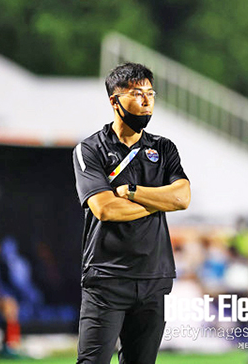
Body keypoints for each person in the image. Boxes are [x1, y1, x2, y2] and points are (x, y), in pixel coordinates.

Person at [72, 63, 191, 364]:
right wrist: (160, 200)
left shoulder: (164, 149)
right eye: (138, 94)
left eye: (151, 93)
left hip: (154, 277)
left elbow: (182, 198)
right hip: (107, 278)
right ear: (115, 101)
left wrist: (134, 192)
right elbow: (105, 208)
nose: (147, 100)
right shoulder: (90, 149)